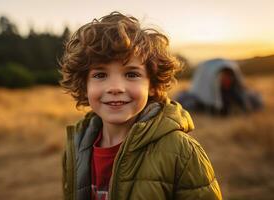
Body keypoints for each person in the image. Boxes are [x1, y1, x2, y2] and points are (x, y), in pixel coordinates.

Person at [59, 11, 222, 200]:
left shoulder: (182, 151)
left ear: (152, 85)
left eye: (131, 74)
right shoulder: (76, 147)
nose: (115, 88)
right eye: (100, 75)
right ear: (85, 85)